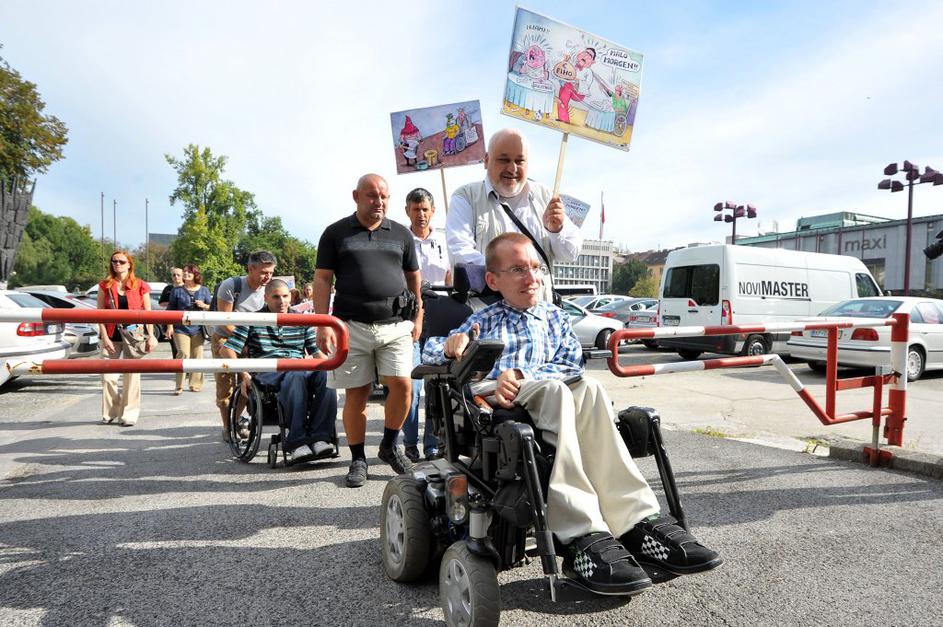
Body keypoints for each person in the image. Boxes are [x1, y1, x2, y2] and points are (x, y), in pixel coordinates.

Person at [423, 233, 722, 596]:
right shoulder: (482, 319)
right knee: (557, 391)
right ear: (493, 280)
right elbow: (429, 351)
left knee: (590, 387)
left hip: (545, 388)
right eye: (517, 270)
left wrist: (522, 373)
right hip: (502, 401)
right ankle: (578, 532)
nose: (531, 277)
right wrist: (451, 346)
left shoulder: (554, 317)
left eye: (535, 268)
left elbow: (571, 363)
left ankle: (635, 520)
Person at [314, 173, 422, 488]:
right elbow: (322, 279)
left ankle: (389, 445)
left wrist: (418, 316)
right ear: (356, 196)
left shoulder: (401, 233)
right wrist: (322, 322)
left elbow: (413, 277)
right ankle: (358, 459)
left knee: (403, 386)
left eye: (384, 196)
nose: (379, 202)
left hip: (396, 325)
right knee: (356, 394)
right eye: (372, 195)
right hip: (350, 326)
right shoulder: (335, 233)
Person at [446, 128, 582, 303]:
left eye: (519, 161)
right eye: (503, 160)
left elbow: (570, 254)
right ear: (486, 160)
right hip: (488, 312)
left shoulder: (546, 196)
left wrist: (557, 230)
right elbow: (459, 253)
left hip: (540, 311)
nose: (512, 168)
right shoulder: (466, 197)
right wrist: (512, 275)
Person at [219, 280, 337, 464]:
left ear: (291, 297)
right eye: (276, 297)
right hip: (268, 370)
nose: (281, 301)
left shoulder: (301, 319)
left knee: (326, 376)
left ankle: (320, 437)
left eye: (285, 296)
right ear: (266, 298)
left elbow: (316, 352)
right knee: (295, 375)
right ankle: (297, 441)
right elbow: (227, 349)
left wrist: (330, 367)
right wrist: (244, 374)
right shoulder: (253, 319)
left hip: (298, 367)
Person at [401, 187, 450, 463]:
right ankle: (409, 442)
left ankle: (432, 444)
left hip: (439, 318)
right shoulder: (399, 240)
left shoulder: (445, 240)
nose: (421, 214)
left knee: (436, 384)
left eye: (425, 209)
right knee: (411, 385)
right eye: (416, 209)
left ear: (433, 211)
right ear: (407, 211)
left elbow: (452, 275)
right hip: (408, 318)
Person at [209, 250, 277, 442]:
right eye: (264, 272)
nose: (268, 277)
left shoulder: (269, 289)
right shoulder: (231, 285)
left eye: (271, 273)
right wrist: (244, 339)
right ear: (250, 269)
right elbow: (224, 321)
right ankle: (227, 427)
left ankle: (236, 419)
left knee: (249, 382)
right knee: (225, 387)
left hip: (252, 341)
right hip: (225, 339)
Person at [96, 250, 158, 427]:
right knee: (108, 377)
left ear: (129, 264)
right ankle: (111, 411)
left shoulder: (140, 285)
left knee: (132, 377)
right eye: (114, 261)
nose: (117, 264)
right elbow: (99, 313)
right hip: (111, 335)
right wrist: (105, 338)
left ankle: (129, 414)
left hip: (134, 336)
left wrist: (151, 336)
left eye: (121, 261)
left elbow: (148, 313)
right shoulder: (105, 285)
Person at [166, 264, 212, 394]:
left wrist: (204, 305)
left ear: (195, 274)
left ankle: (195, 384)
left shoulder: (204, 290)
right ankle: (179, 385)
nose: (185, 274)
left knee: (198, 355)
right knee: (183, 353)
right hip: (180, 328)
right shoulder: (176, 291)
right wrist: (169, 326)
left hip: (198, 329)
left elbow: (212, 308)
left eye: (189, 272)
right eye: (184, 272)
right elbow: (170, 310)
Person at [158, 267, 184, 359]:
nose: (176, 277)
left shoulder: (187, 287)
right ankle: (176, 365)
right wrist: (173, 303)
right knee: (175, 348)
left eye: (178, 275)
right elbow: (161, 303)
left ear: (183, 276)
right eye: (174, 275)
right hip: (171, 322)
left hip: (185, 321)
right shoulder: (168, 288)